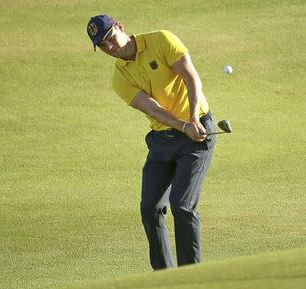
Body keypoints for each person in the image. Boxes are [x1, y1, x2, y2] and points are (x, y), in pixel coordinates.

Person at [86, 15, 216, 270]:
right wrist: (182, 126)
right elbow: (152, 108)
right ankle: (163, 277)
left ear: (120, 27)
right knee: (150, 208)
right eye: (102, 45)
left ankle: (191, 276)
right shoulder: (119, 78)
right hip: (162, 140)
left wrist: (191, 120)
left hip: (197, 134)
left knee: (182, 205)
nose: (109, 47)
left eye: (110, 38)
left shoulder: (161, 40)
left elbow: (191, 77)